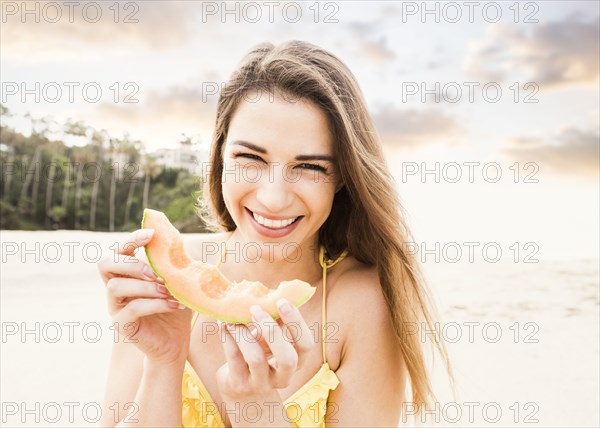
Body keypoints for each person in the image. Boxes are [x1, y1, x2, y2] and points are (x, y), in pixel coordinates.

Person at [98, 40, 451, 427]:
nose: (274, 198)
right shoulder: (162, 282)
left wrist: (257, 408)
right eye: (250, 158)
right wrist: (163, 361)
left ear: (343, 177)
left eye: (311, 167)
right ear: (220, 157)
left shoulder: (363, 305)